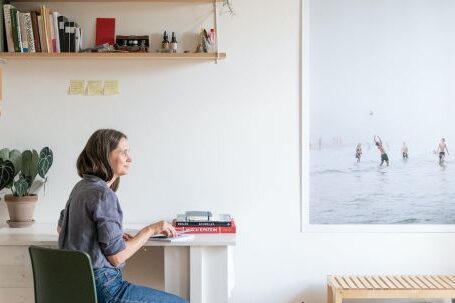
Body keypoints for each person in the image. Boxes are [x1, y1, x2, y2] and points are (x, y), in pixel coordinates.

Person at [57, 129, 187, 303]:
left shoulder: (81, 187)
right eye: (123, 152)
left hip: (78, 286)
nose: (129, 158)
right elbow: (117, 257)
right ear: (104, 156)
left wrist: (110, 235)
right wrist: (151, 229)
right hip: (105, 289)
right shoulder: (104, 194)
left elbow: (61, 228)